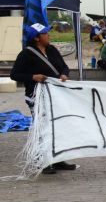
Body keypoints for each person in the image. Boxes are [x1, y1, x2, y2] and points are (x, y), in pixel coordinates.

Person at [9, 23, 77, 174]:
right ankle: (43, 160)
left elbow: (63, 67)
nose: (49, 36)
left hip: (55, 96)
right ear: (37, 38)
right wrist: (33, 77)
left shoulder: (52, 50)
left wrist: (64, 75)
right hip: (36, 96)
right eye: (45, 33)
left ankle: (58, 159)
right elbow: (14, 75)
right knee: (42, 128)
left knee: (57, 127)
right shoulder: (26, 54)